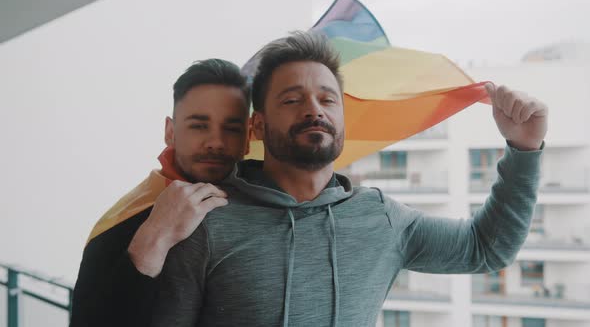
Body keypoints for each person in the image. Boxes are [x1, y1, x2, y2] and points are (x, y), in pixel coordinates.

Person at [151, 31, 547, 327]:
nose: (313, 109)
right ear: (257, 125)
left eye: (327, 99)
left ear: (342, 119)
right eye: (291, 99)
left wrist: (524, 150)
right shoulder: (204, 219)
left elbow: (487, 248)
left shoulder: (382, 220)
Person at [69, 59, 250, 327]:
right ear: (170, 132)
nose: (215, 142)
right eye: (199, 125)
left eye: (232, 129)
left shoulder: (266, 206)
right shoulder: (125, 219)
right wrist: (155, 236)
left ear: (248, 138)